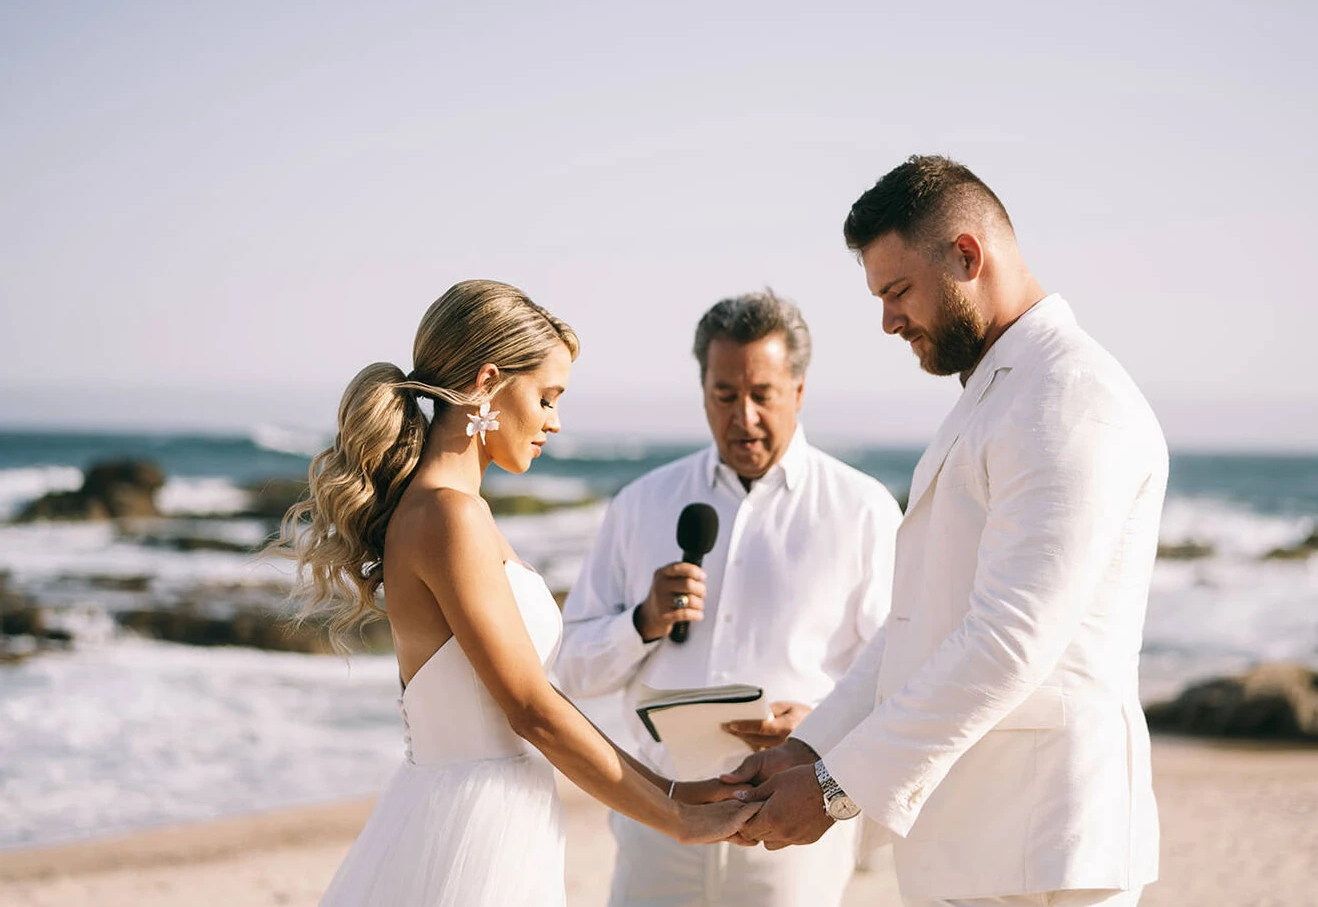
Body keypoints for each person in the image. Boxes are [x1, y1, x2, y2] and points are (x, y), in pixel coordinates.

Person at [722, 156, 1167, 907]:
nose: (888, 320)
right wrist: (808, 747)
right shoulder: (999, 391)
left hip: (1044, 853)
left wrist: (833, 789)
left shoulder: (1069, 395)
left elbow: (1008, 639)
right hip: (972, 846)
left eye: (897, 291)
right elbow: (916, 626)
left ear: (966, 255)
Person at [274, 280, 757, 907]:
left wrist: (673, 791)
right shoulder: (449, 516)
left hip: (483, 811)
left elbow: (536, 701)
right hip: (475, 828)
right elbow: (529, 709)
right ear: (488, 382)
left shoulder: (448, 511)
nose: (556, 422)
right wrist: (676, 820)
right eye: (547, 396)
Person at [554, 290, 902, 906]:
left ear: (798, 389)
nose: (743, 417)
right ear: (703, 390)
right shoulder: (641, 503)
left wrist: (823, 727)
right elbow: (572, 670)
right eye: (724, 395)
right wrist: (643, 621)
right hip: (657, 811)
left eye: (762, 395)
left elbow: (899, 667)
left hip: (792, 820)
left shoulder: (864, 509)